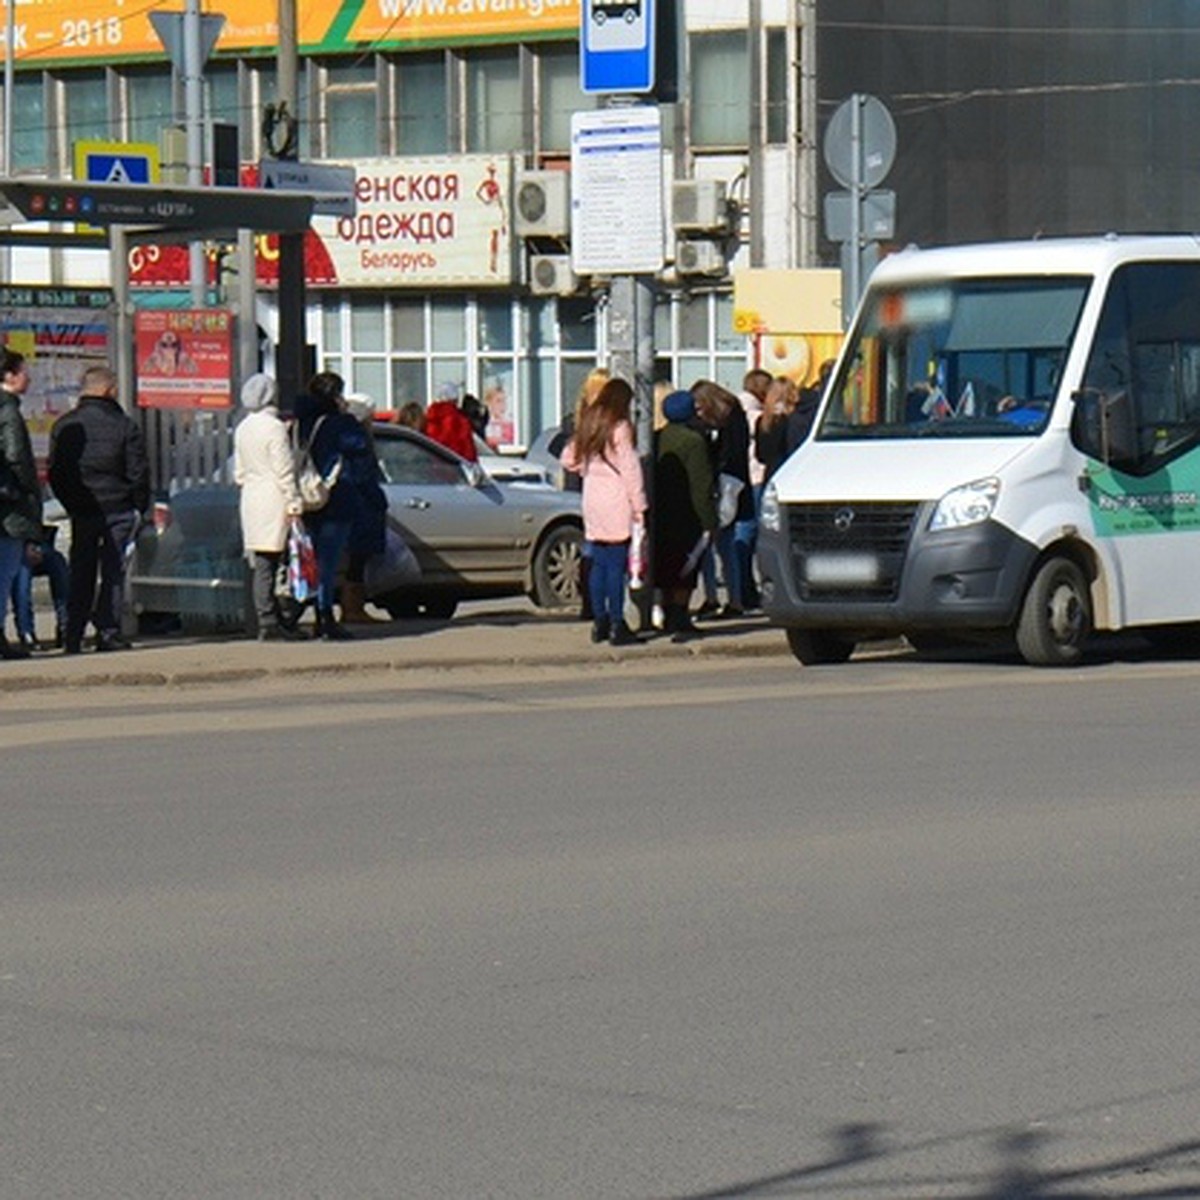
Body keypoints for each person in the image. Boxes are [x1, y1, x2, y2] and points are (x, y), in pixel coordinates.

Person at [48, 364, 148, 655]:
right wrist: (138, 506)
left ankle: (74, 633)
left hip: (83, 510)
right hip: (118, 507)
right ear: (108, 390)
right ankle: (108, 632)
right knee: (114, 571)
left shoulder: (65, 425)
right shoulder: (124, 425)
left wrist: (72, 503)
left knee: (81, 571)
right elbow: (138, 471)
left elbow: (56, 473)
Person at [560, 377, 647, 647]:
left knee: (597, 563)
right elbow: (631, 470)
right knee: (616, 565)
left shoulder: (589, 423)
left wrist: (588, 469)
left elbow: (567, 458)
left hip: (593, 498)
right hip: (616, 498)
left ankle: (600, 621)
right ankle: (617, 624)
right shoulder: (619, 428)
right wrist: (639, 505)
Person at [294, 371, 369, 641]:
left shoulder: (302, 420)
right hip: (336, 497)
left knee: (310, 558)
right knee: (328, 560)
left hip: (308, 495)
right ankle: (324, 615)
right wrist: (350, 418)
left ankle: (312, 610)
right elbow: (359, 446)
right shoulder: (340, 423)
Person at [233, 372, 306, 641]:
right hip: (275, 498)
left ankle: (267, 620)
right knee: (283, 562)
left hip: (251, 498)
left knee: (262, 564)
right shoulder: (274, 427)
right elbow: (284, 469)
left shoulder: (243, 427)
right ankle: (278, 620)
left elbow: (239, 473)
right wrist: (294, 502)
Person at [653, 389, 717, 643]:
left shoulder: (657, 438)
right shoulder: (694, 442)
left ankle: (668, 615)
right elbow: (701, 485)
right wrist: (710, 521)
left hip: (661, 512)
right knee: (686, 567)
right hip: (687, 514)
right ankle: (680, 617)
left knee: (666, 565)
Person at [694, 379, 755, 617]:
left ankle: (721, 598)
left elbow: (727, 455)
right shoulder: (734, 417)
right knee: (724, 546)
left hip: (726, 488)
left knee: (714, 545)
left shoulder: (729, 422)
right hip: (734, 487)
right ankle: (732, 598)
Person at [0, 349, 44, 660]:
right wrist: (29, 493)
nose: (28, 377)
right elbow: (17, 459)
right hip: (9, 509)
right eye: (24, 370)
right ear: (10, 376)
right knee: (6, 574)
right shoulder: (8, 411)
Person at [340, 393, 389, 625]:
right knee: (357, 560)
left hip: (349, 503)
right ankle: (352, 608)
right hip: (361, 506)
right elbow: (364, 475)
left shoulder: (343, 435)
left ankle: (350, 607)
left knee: (353, 559)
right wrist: (378, 499)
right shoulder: (359, 439)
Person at [10, 520, 68, 651]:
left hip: (38, 542)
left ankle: (65, 624)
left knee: (59, 565)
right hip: (15, 543)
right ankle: (26, 631)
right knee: (22, 576)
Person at [755, 375, 800, 483]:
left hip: (770, 474)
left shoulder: (762, 421)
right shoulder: (794, 419)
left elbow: (760, 456)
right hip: (791, 473)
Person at [423, 382, 477, 460]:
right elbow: (469, 452)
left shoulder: (429, 419)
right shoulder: (460, 421)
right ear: (455, 400)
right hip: (454, 468)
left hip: (432, 467)